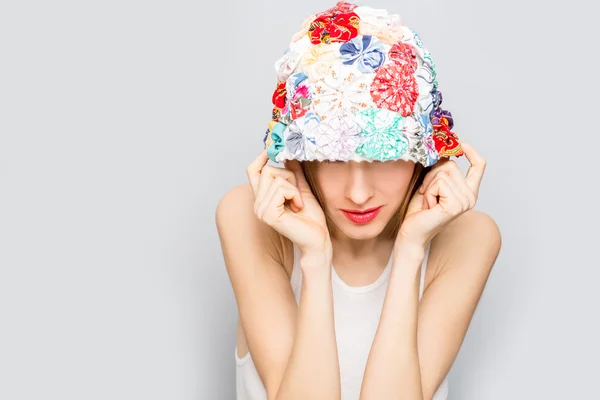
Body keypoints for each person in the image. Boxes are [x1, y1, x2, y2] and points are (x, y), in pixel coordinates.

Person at [216, 2, 502, 399]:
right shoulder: (250, 218)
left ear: (422, 152)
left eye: (384, 156)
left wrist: (410, 250)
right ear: (299, 155)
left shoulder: (468, 237)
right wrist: (315, 258)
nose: (358, 192)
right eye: (332, 157)